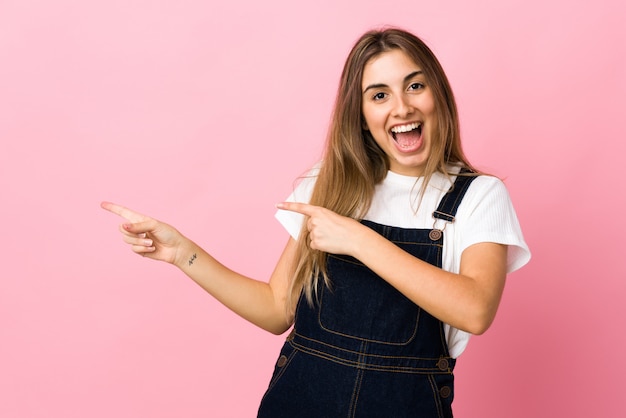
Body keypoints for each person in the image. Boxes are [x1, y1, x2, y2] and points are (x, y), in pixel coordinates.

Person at [102, 27, 530, 417]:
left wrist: (359, 240)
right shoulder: (329, 185)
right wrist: (182, 253)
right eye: (379, 95)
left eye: (414, 86)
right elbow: (275, 310)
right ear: (360, 114)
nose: (401, 107)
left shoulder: (479, 195)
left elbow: (475, 310)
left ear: (437, 93)